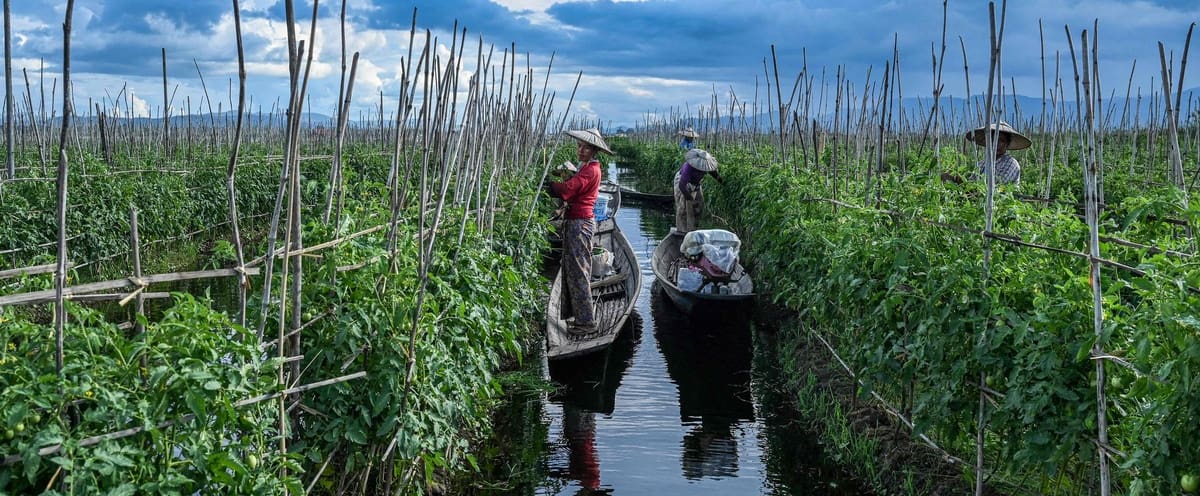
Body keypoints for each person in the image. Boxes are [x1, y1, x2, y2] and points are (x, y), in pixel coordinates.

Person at [548, 128, 611, 335]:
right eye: (579, 146)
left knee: (579, 271)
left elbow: (567, 190)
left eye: (586, 148)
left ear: (594, 151)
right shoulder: (586, 168)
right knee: (575, 269)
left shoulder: (591, 170)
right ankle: (581, 318)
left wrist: (550, 185)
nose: (581, 150)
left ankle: (587, 323)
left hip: (580, 223)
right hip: (577, 220)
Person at [943, 120, 1031, 186]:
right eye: (993, 140)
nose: (996, 144)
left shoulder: (1011, 163)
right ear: (988, 141)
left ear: (1007, 144)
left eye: (1002, 141)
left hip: (1001, 207)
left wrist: (963, 182)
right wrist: (955, 179)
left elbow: (995, 187)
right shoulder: (983, 163)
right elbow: (970, 184)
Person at [673, 148, 723, 233]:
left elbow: (714, 174)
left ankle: (693, 229)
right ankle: (682, 231)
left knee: (698, 206)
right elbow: (682, 186)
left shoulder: (706, 166)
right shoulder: (688, 167)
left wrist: (723, 183)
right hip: (683, 183)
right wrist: (690, 198)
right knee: (684, 208)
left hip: (695, 183)